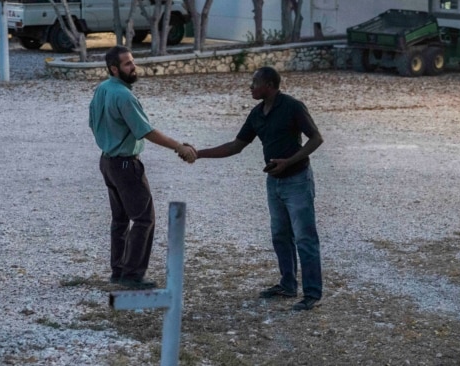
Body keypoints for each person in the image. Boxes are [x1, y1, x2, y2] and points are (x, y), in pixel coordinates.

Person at [190, 66, 324, 310]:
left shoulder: (293, 106)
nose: (250, 87)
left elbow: (316, 138)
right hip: (274, 181)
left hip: (297, 179)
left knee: (305, 237)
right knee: (280, 235)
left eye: (255, 83)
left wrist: (289, 161)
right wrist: (198, 154)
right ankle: (288, 285)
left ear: (270, 86)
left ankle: (312, 293)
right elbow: (235, 146)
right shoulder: (257, 114)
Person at [89, 46, 196, 289]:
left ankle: (118, 270)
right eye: (127, 64)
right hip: (126, 165)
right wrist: (179, 146)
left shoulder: (102, 89)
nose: (133, 67)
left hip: (107, 161)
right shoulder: (124, 96)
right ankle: (132, 275)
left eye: (132, 61)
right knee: (144, 219)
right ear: (114, 68)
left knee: (120, 220)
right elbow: (146, 131)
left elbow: (92, 123)